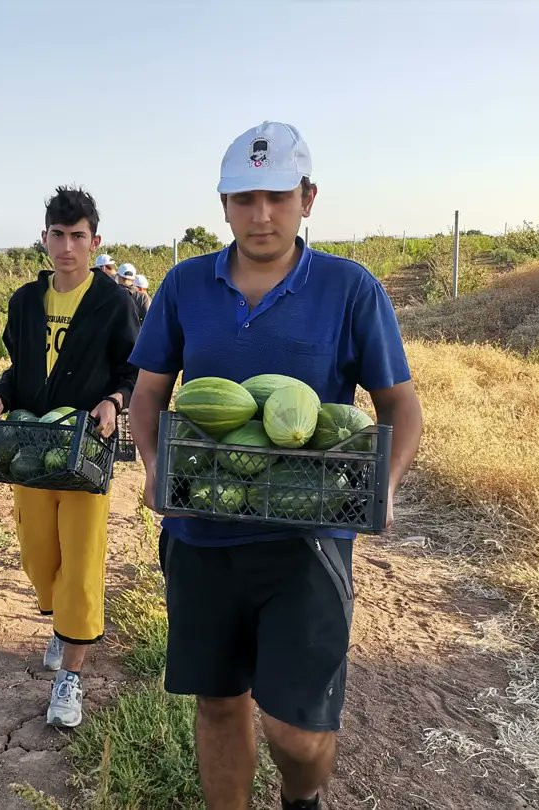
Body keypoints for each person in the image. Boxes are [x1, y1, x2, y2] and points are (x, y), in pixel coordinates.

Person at [127, 121, 423, 810]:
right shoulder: (184, 284)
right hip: (201, 534)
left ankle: (302, 799)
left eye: (278, 197)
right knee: (220, 704)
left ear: (308, 198)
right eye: (244, 198)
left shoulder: (351, 289)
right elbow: (148, 395)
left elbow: (399, 408)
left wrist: (386, 483)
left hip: (306, 538)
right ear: (224, 204)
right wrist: (151, 464)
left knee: (298, 730)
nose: (261, 214)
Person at [0, 186, 139, 728]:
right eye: (58, 235)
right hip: (31, 449)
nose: (67, 246)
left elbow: (132, 370)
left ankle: (70, 673)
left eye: (78, 236)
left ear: (96, 242)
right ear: (44, 238)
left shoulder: (113, 303)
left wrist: (115, 401)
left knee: (82, 558)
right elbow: (19, 367)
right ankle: (60, 620)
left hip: (86, 450)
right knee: (37, 555)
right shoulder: (26, 302)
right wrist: (2, 392)